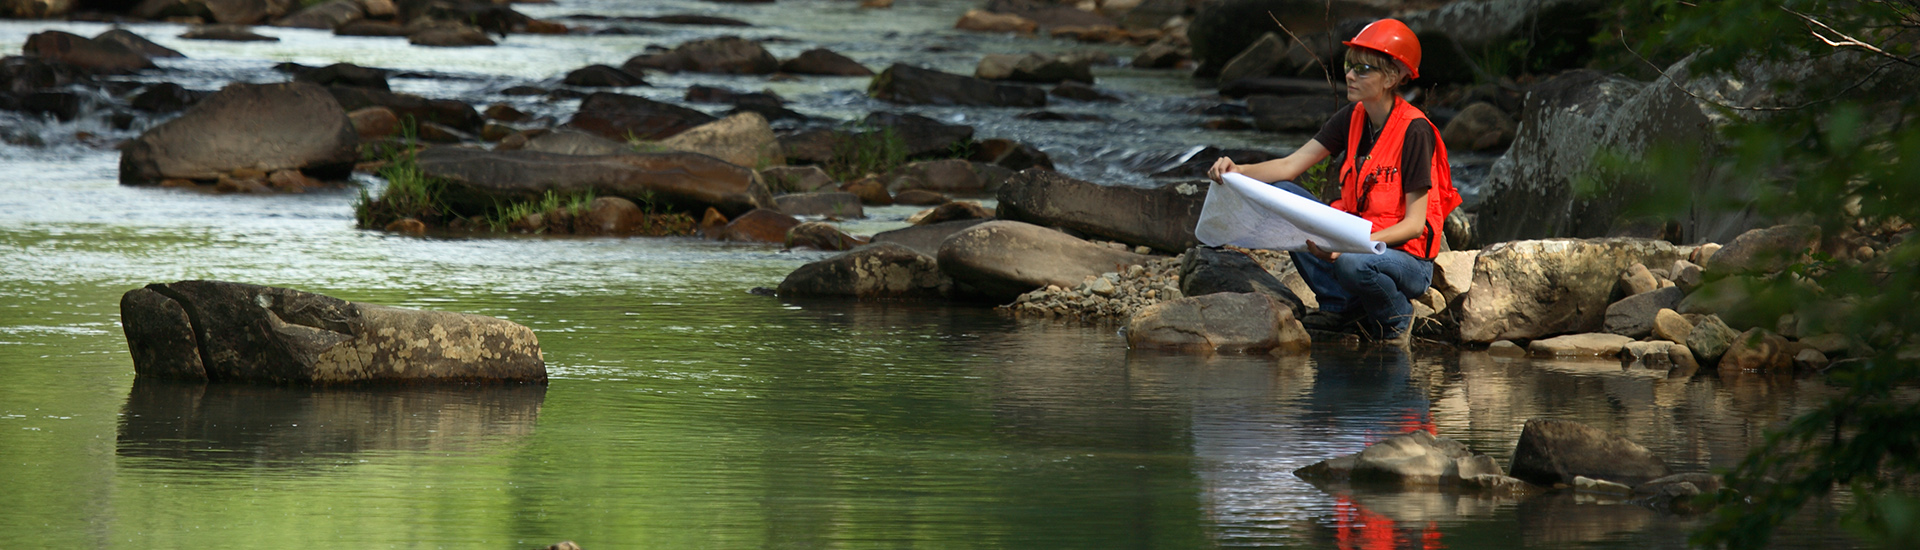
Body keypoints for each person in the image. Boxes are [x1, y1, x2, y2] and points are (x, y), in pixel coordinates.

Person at [1206, 18, 1460, 344]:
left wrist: (1348, 247)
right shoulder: (1351, 117)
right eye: (1349, 66)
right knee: (1284, 197)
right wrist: (1237, 171)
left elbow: (1414, 226)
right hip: (1354, 243)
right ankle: (1341, 306)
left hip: (1407, 261)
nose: (1350, 76)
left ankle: (1396, 318)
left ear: (1393, 77)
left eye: (1364, 69)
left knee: (1354, 264)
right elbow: (1290, 165)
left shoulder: (1415, 131)